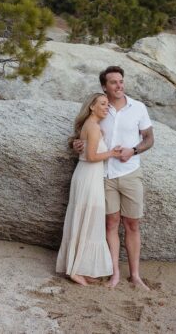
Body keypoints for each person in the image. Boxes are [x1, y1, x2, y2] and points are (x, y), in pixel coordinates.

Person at [75, 65, 154, 290]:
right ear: (104, 86)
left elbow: (149, 139)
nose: (119, 86)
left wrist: (134, 150)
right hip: (105, 174)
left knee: (132, 224)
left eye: (121, 81)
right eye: (113, 82)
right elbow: (82, 133)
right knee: (111, 223)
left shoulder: (138, 108)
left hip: (130, 173)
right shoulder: (100, 109)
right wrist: (76, 143)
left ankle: (136, 275)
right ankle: (115, 274)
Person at [55, 93, 123, 286]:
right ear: (91, 107)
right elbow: (92, 156)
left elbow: (83, 149)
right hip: (88, 176)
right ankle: (74, 269)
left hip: (89, 176)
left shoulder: (92, 126)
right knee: (87, 219)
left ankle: (82, 267)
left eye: (107, 104)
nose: (106, 107)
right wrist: (112, 153)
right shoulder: (92, 127)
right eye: (102, 104)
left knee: (89, 220)